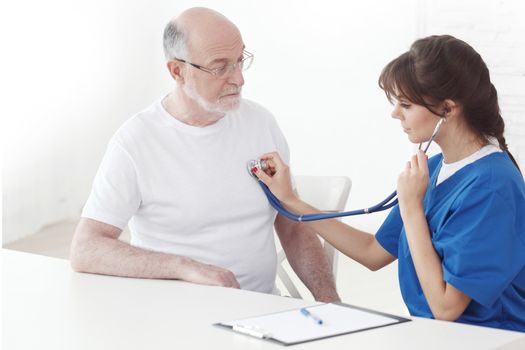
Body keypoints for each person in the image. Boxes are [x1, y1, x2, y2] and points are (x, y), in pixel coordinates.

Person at [253, 35, 525, 331]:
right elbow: (373, 252)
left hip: (487, 338)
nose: (395, 114)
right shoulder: (432, 169)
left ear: (448, 109)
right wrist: (292, 200)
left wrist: (411, 208)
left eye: (406, 105)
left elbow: (447, 308)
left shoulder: (492, 187)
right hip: (436, 334)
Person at [69, 7, 339, 302]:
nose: (239, 79)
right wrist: (182, 267)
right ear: (177, 71)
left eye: (240, 61)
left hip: (260, 308)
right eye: (220, 67)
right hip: (176, 312)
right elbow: (86, 248)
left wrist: (329, 300)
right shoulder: (135, 142)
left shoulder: (260, 123)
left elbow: (292, 226)